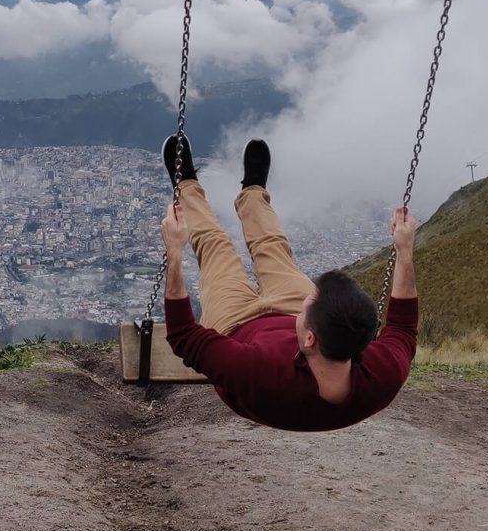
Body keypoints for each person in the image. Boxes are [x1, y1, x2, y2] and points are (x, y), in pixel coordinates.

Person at [158, 134, 419, 432]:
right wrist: (405, 250)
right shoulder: (382, 374)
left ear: (309, 338)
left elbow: (183, 335)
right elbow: (402, 329)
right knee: (273, 247)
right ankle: (253, 191)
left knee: (215, 248)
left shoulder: (257, 373)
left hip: (234, 326)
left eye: (310, 302)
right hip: (290, 314)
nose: (309, 296)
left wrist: (175, 252)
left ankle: (186, 184)